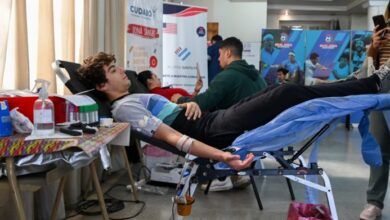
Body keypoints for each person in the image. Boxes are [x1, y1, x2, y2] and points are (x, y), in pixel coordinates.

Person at [78, 52, 390, 175]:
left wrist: (188, 101)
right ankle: (372, 83)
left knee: (276, 91)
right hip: (213, 132)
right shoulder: (126, 106)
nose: (122, 72)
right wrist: (221, 156)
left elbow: (173, 117)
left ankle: (360, 84)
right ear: (104, 84)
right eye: (113, 70)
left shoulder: (131, 98)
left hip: (212, 119)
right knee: (286, 93)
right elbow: (175, 138)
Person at [174, 37, 267, 111]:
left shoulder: (226, 77)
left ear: (228, 53)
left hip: (232, 130)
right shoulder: (259, 77)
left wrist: (180, 99)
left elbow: (203, 103)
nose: (218, 58)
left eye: (220, 54)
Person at [359, 4, 390, 219]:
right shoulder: (384, 29)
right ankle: (374, 202)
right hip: (383, 90)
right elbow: (370, 70)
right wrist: (373, 46)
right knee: (380, 150)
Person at [137, 70, 203, 102]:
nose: (159, 78)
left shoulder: (156, 95)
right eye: (155, 76)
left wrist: (196, 91)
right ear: (149, 80)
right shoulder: (158, 95)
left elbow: (191, 100)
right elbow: (193, 102)